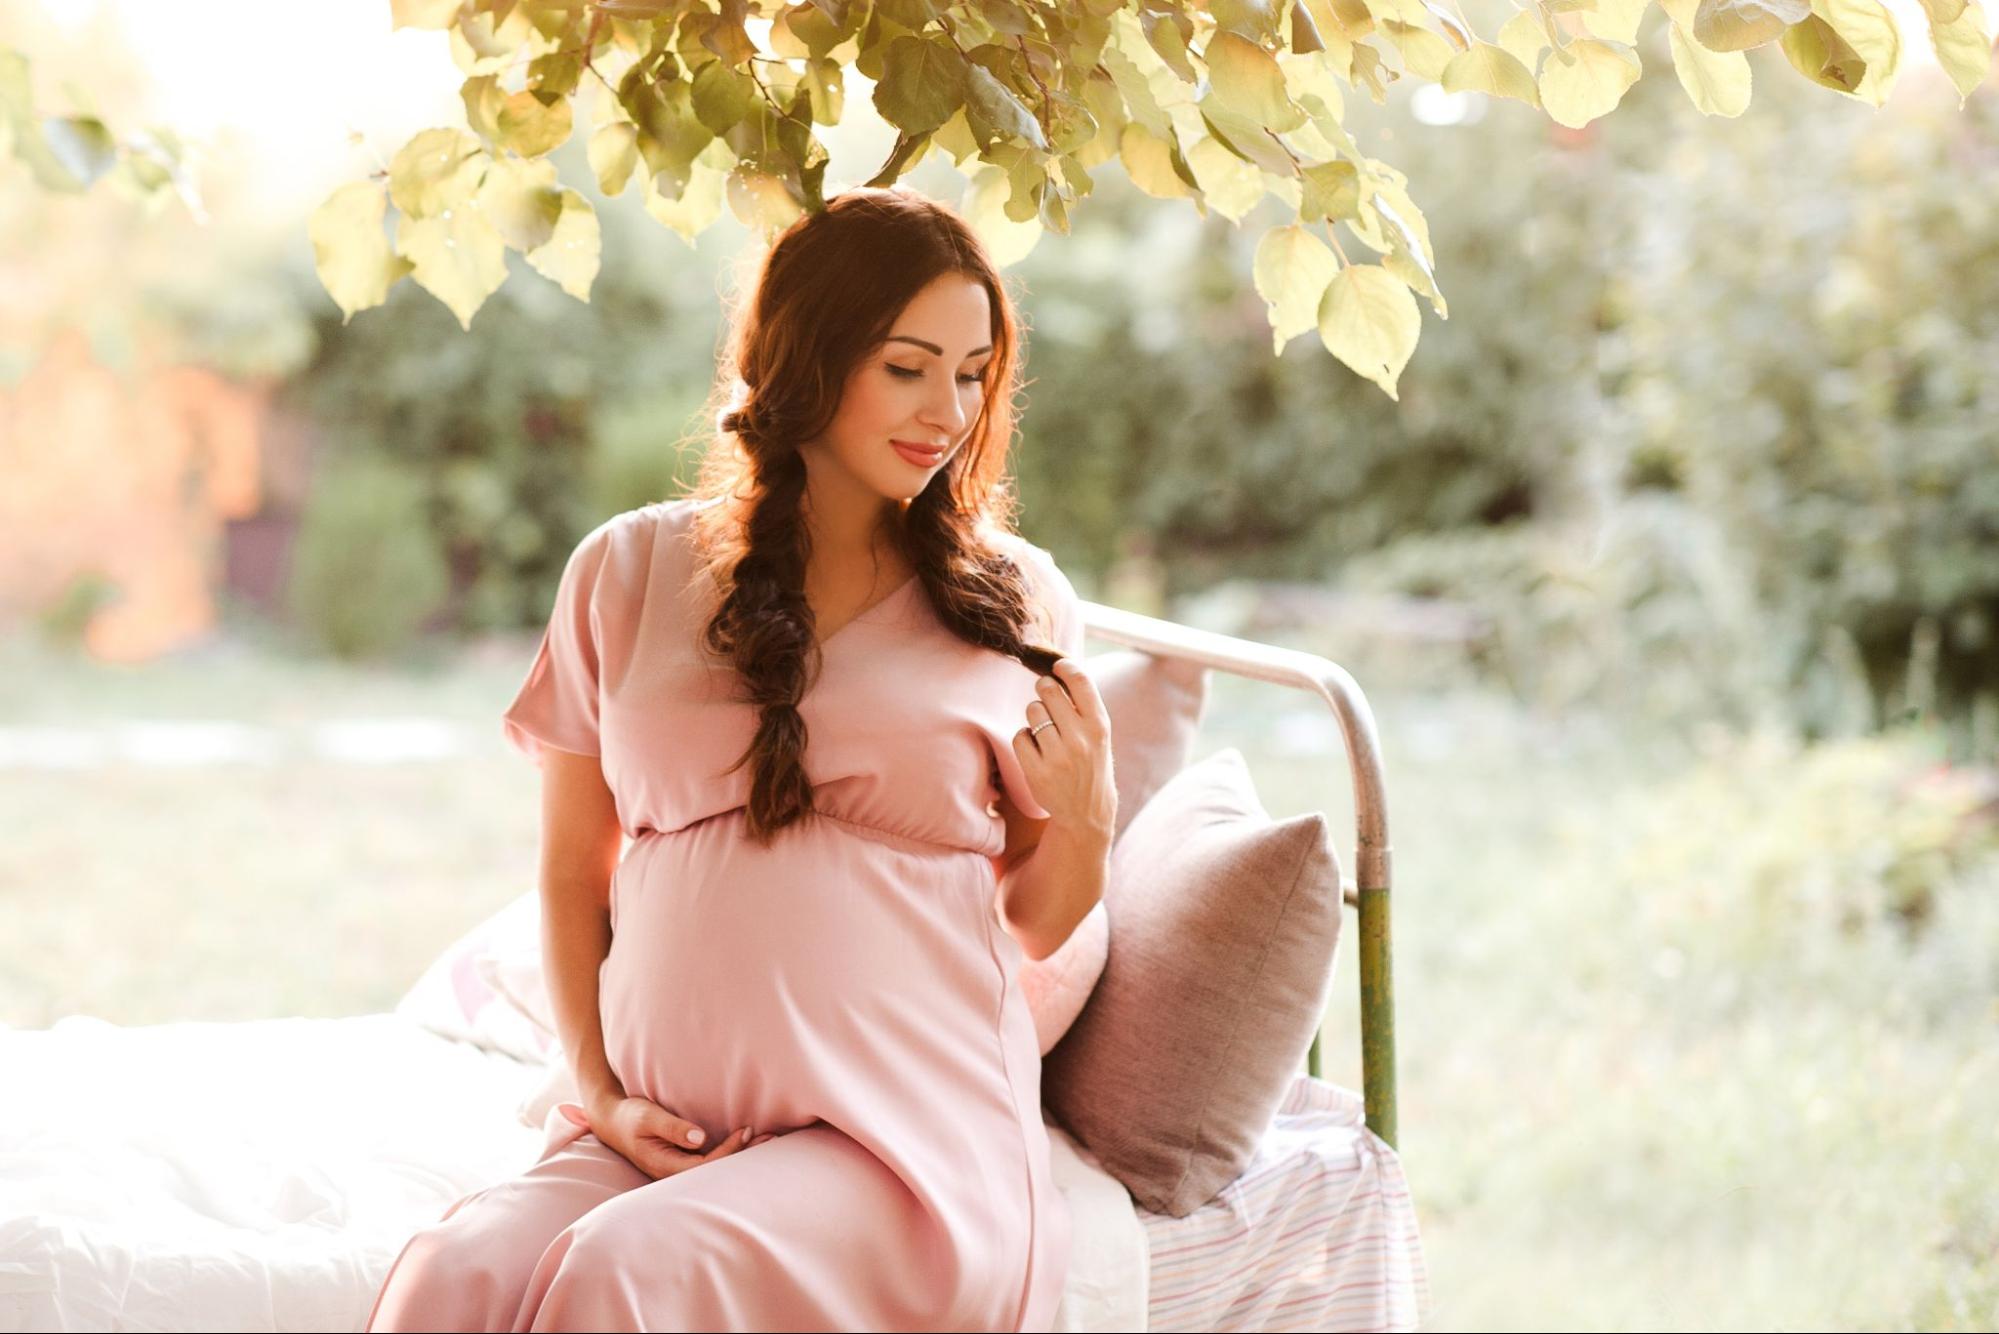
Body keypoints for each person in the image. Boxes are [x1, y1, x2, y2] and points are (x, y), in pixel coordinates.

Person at [363, 186, 1116, 1333]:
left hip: (902, 1143)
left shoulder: (1014, 600)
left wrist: (1089, 819)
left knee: (625, 1270)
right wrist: (603, 1094)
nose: (948, 410)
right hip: (667, 1129)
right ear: (806, 358)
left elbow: (1033, 922)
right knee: (450, 1276)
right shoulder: (622, 571)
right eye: (907, 366)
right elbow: (575, 868)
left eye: (972, 372)